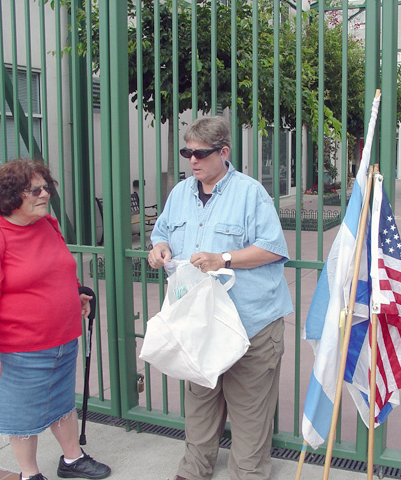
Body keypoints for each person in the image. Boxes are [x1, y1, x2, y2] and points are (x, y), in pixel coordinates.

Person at [148, 116, 293, 480]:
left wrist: (223, 259)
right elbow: (161, 231)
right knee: (200, 404)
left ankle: (248, 473)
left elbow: (273, 249)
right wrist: (159, 247)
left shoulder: (250, 192)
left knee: (250, 410)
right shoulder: (181, 193)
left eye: (200, 153)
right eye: (187, 153)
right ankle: (194, 470)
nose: (192, 160)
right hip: (199, 323)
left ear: (224, 152)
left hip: (251, 322)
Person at [0, 159, 111, 480]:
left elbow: (58, 268)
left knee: (60, 403)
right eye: (35, 190)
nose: (45, 195)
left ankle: (72, 459)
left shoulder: (47, 225)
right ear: (12, 195)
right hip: (19, 348)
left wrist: (74, 295)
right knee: (23, 416)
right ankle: (30, 474)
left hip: (62, 340)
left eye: (47, 188)